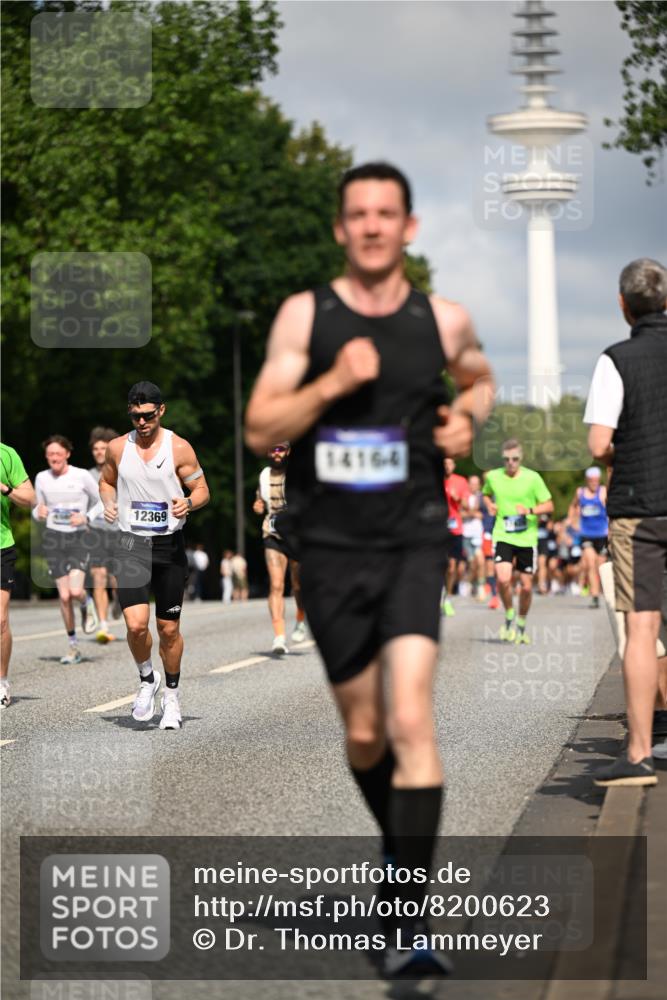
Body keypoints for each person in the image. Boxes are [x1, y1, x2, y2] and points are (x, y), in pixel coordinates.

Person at [245, 161, 494, 977]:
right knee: (363, 732)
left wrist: (465, 420)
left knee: (412, 720)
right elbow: (259, 427)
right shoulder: (303, 317)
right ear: (340, 230)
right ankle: (401, 850)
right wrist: (331, 383)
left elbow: (480, 378)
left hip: (416, 537)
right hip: (332, 546)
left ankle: (406, 924)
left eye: (387, 213)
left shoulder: (442, 319)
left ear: (409, 227)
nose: (373, 226)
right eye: (358, 214)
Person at [585, 258, 667, 787]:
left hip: (640, 509)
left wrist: (629, 447)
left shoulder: (615, 359)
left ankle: (639, 753)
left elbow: (596, 444)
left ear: (623, 306)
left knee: (642, 629)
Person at [99, 382, 210, 730]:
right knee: (134, 625)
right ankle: (148, 679)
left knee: (168, 629)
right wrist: (108, 502)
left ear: (161, 410)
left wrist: (188, 502)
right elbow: (106, 481)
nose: (142, 422)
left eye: (148, 415)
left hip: (168, 546)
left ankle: (172, 698)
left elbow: (202, 489)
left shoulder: (178, 447)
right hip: (131, 543)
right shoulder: (118, 448)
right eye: (135, 416)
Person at [33, 436, 102, 663]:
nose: (54, 457)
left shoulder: (81, 475)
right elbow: (37, 508)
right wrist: (37, 513)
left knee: (74, 591)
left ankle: (86, 601)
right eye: (50, 454)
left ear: (67, 454)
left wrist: (86, 516)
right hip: (54, 538)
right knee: (63, 597)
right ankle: (73, 647)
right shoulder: (42, 478)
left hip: (79, 537)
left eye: (58, 453)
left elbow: (102, 499)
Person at [482, 439, 553, 644]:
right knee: (503, 579)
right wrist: (489, 504)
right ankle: (510, 613)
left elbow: (549, 505)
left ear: (520, 459)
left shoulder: (533, 478)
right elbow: (485, 493)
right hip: (503, 534)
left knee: (527, 586)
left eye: (514, 459)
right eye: (506, 459)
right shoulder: (494, 477)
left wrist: (530, 511)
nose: (511, 463)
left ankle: (521, 624)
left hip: (526, 538)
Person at [252, 442, 306, 654]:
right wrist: (257, 506)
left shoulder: (298, 472)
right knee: (276, 585)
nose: (276, 453)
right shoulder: (263, 475)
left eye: (280, 449)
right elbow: (259, 500)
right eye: (272, 449)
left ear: (288, 451)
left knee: (299, 586)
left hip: (296, 535)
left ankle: (301, 616)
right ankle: (279, 636)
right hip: (272, 533)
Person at [1, 444, 35, 707]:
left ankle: (1, 682)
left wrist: (5, 488)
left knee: (0, 620)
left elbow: (29, 498)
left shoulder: (7, 454)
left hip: (1, 546)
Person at [88, 426, 121, 642]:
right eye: (96, 448)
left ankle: (118, 600)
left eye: (104, 448)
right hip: (96, 532)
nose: (99, 452)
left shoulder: (120, 473)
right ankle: (103, 624)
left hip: (118, 531)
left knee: (116, 579)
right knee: (98, 577)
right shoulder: (86, 476)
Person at [567, 467, 608, 609]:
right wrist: (572, 522)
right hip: (586, 535)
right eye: (592, 481)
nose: (594, 483)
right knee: (590, 563)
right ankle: (595, 596)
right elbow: (572, 507)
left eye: (597, 480)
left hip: (602, 535)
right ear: (587, 480)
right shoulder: (580, 493)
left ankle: (606, 593)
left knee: (600, 567)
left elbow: (611, 508)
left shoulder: (603, 492)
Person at [441, 458, 469, 616]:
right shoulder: (435, 478)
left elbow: (466, 505)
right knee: (437, 563)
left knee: (452, 566)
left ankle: (447, 597)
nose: (447, 466)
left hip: (455, 527)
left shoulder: (460, 481)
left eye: (450, 463)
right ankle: (437, 595)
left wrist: (457, 498)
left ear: (454, 465)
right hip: (437, 526)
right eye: (444, 463)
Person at [462, 474, 486, 601]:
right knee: (471, 563)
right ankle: (470, 582)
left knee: (481, 561)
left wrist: (472, 513)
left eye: (476, 484)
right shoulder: (464, 496)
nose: (474, 486)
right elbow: (461, 513)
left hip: (478, 534)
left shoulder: (482, 497)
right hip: (466, 534)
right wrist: (472, 513)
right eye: (471, 483)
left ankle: (481, 587)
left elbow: (483, 514)